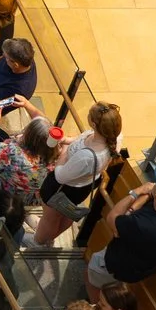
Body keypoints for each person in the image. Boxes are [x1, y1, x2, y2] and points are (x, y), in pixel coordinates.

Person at [26, 100, 124, 249]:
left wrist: (64, 152)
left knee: (51, 216)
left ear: (94, 124)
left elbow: (60, 175)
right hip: (81, 186)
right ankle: (45, 232)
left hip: (64, 187)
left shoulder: (87, 157)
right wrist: (66, 140)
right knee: (62, 214)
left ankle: (39, 240)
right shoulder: (113, 137)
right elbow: (83, 138)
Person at [93, 161, 156, 307]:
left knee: (94, 277)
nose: (153, 183)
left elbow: (113, 218)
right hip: (141, 268)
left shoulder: (144, 225)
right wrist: (146, 198)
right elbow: (127, 219)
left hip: (116, 264)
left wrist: (136, 192)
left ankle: (94, 307)